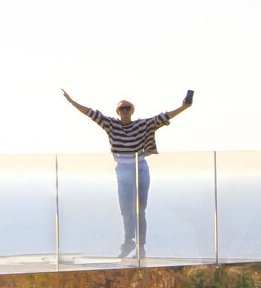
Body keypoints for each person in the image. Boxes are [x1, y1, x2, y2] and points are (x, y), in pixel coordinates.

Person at [62, 89, 192, 258]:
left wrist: (184, 107)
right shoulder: (111, 124)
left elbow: (163, 117)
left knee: (140, 209)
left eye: (127, 108)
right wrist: (72, 102)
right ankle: (128, 241)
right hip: (122, 168)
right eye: (122, 108)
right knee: (125, 209)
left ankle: (141, 246)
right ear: (117, 112)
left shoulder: (141, 125)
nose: (125, 111)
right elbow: (91, 113)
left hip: (140, 166)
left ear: (132, 110)